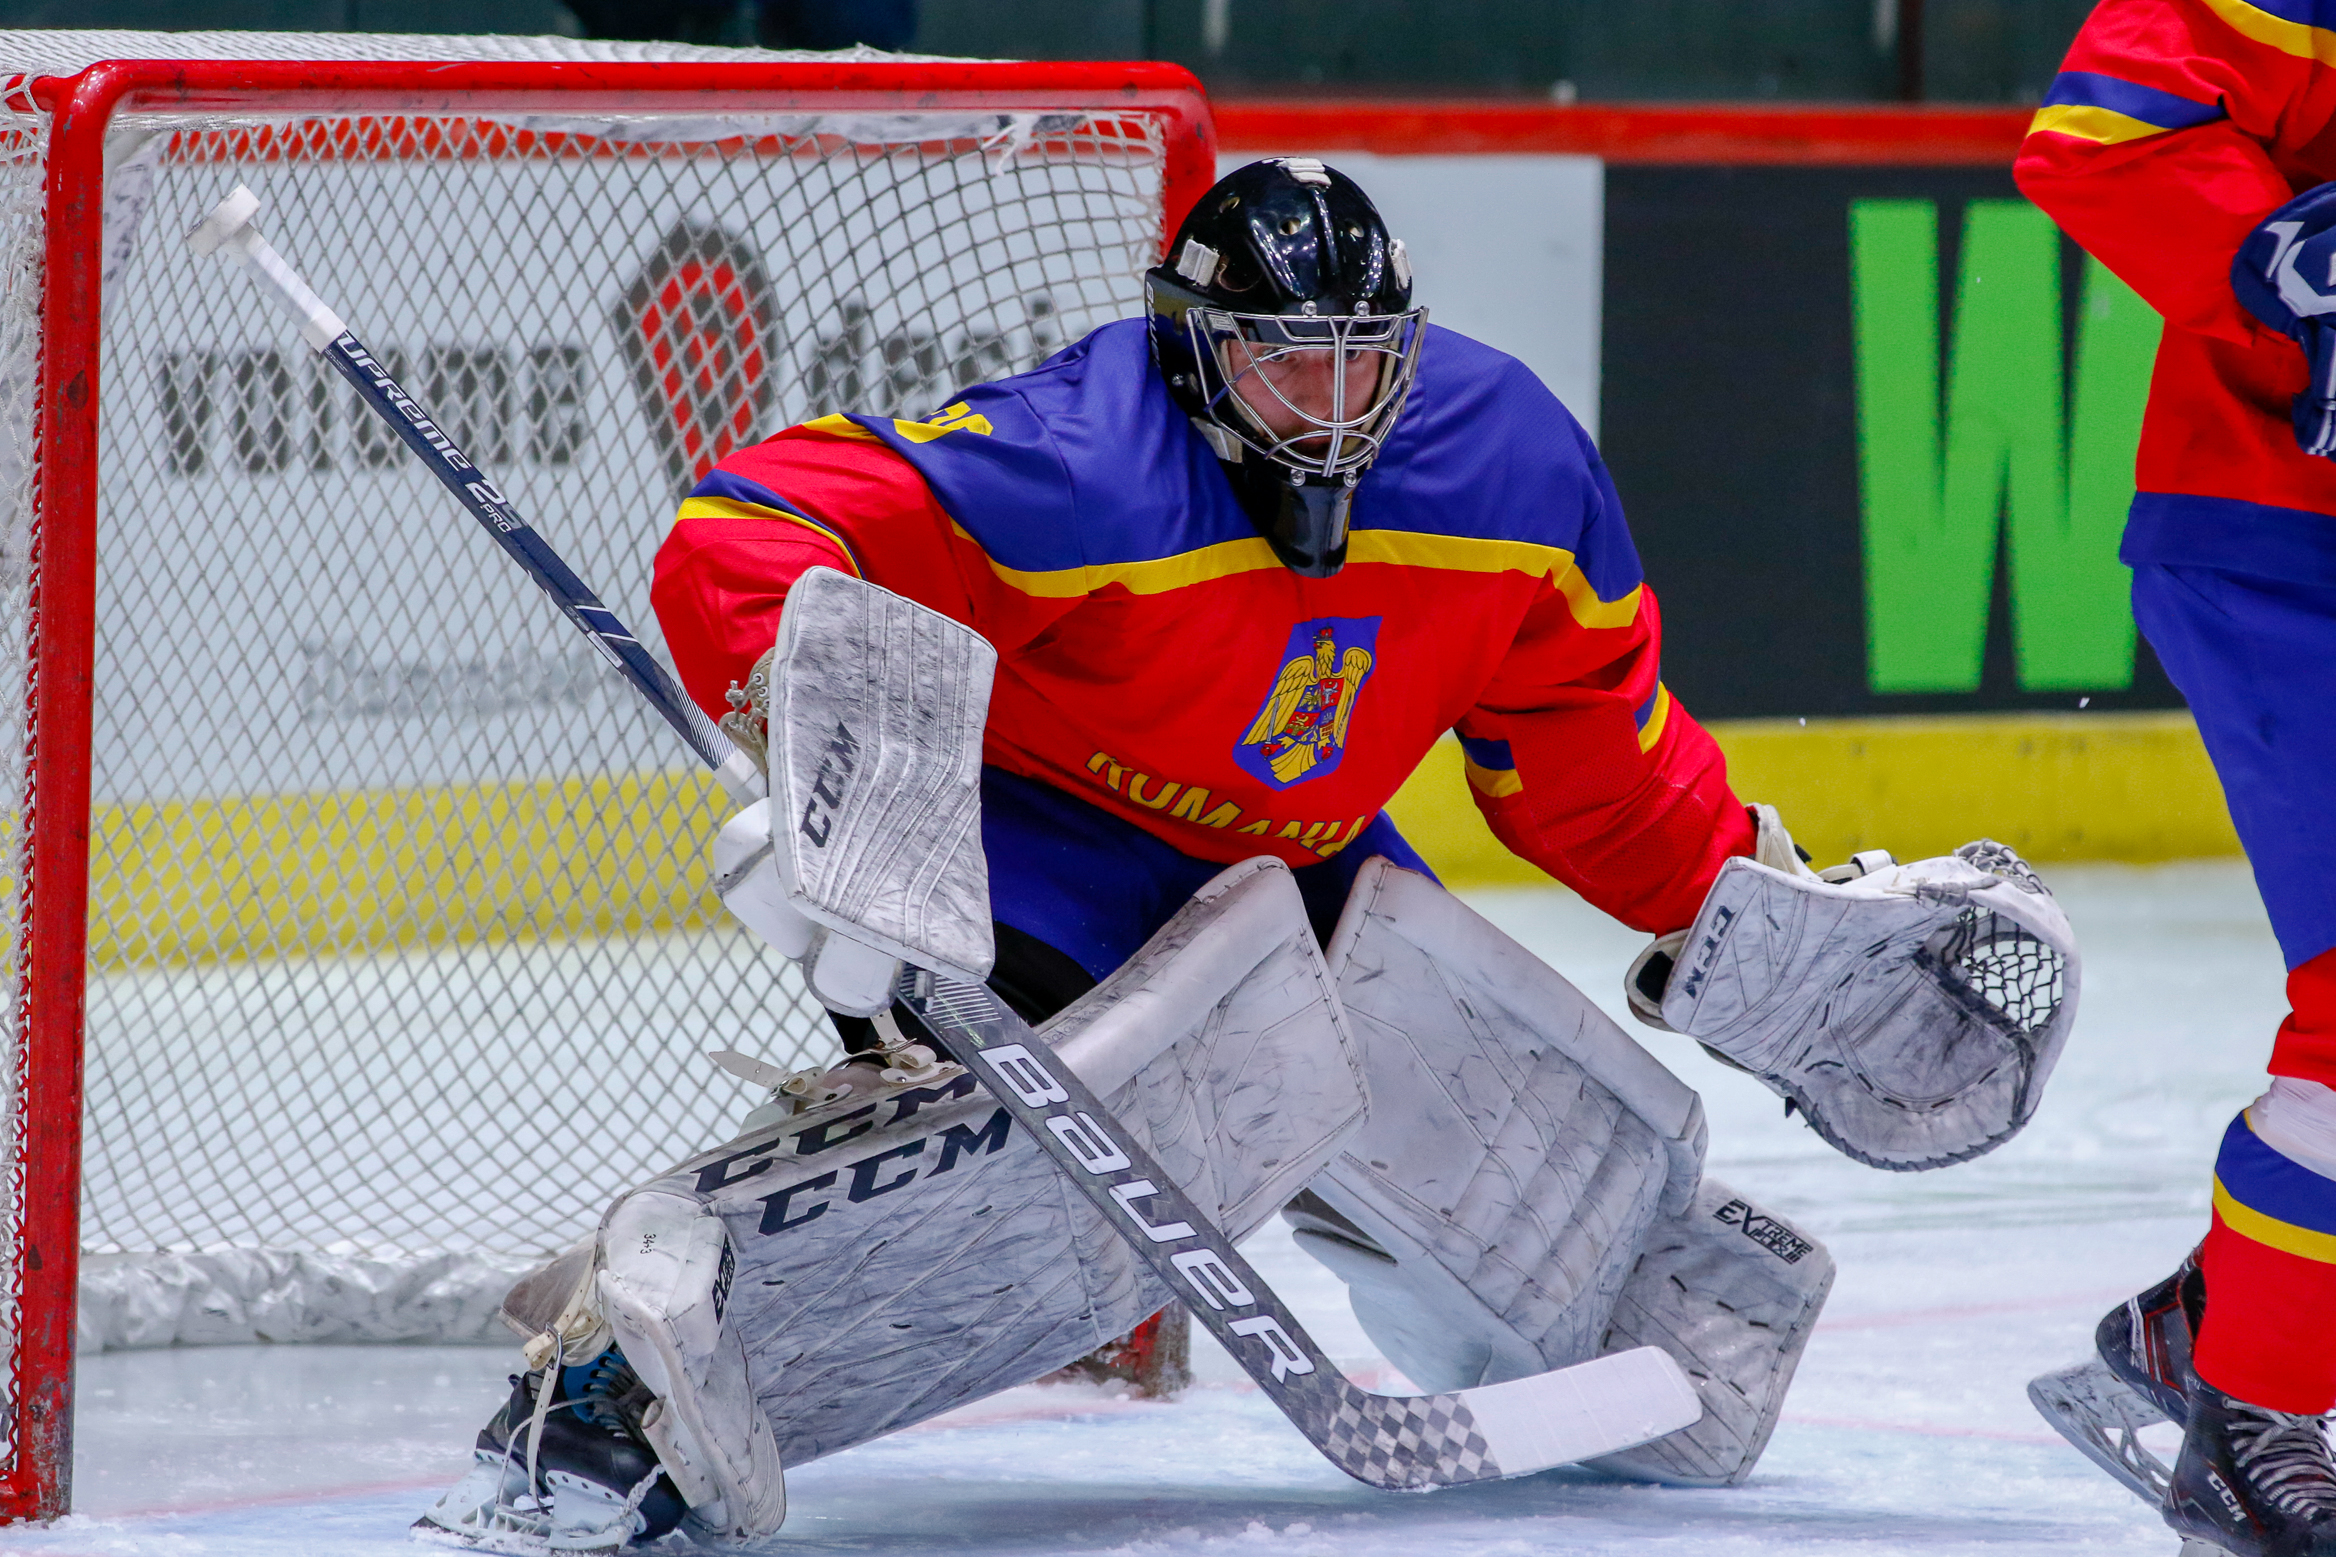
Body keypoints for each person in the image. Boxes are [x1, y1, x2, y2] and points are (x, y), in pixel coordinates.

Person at [416, 157, 2070, 1552]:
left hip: (1305, 856)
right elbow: (750, 524)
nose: (1333, 405)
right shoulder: (1081, 465)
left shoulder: (1510, 467)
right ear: (1198, 353)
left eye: (1363, 359)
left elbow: (1586, 750)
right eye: (1285, 363)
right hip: (1042, 849)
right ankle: (622, 1386)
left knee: (1469, 1094)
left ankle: (1616, 1300)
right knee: (1121, 1158)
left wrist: (1741, 914)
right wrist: (813, 693)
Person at [2017, 5, 2336, 1552]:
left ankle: (2219, 1314)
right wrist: (2295, 261)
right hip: (2292, 551)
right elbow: (2109, 130)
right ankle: (2254, 1408)